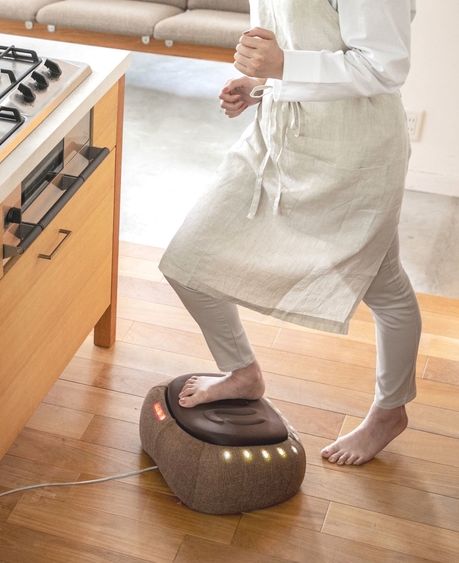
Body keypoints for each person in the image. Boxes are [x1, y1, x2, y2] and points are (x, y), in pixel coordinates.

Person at [158, 0, 420, 466]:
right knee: (187, 261)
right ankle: (243, 373)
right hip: (276, 137)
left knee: (385, 290)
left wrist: (282, 66)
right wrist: (262, 85)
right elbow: (301, 37)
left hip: (352, 156)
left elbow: (385, 64)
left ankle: (389, 411)